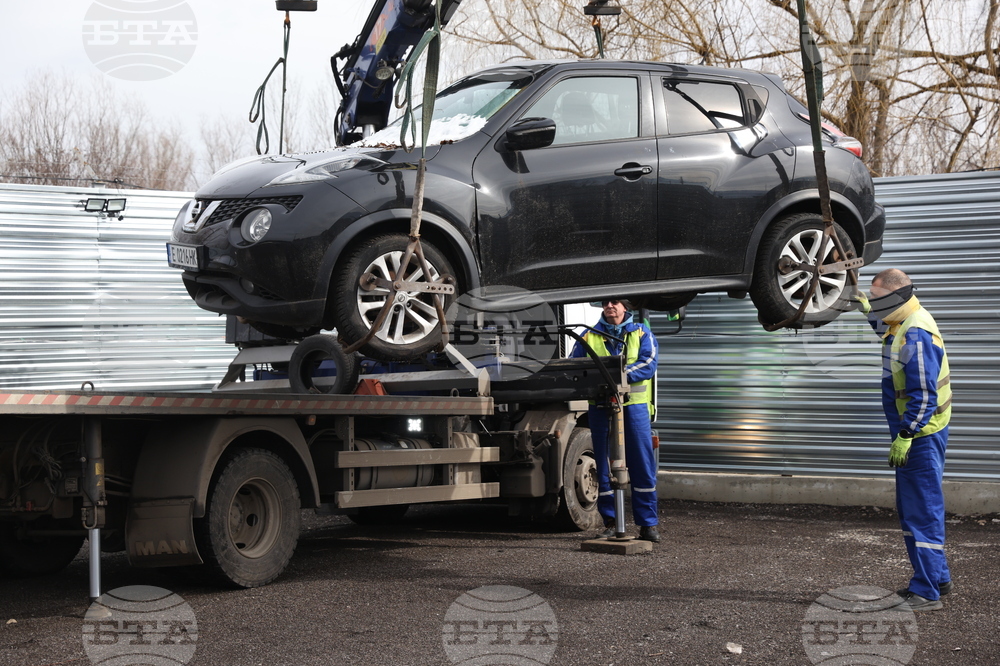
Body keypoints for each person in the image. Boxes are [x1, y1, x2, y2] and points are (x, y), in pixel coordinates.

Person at [857, 269, 953, 611]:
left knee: (920, 511)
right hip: (920, 432)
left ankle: (926, 591)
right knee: (917, 507)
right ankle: (939, 578)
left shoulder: (916, 333)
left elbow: (924, 394)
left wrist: (906, 434)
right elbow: (887, 331)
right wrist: (867, 311)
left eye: (877, 299)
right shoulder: (903, 320)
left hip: (920, 435)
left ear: (895, 296)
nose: (875, 305)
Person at [572, 299, 660, 542]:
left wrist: (616, 376)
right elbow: (575, 366)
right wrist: (608, 379)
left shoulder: (642, 333)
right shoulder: (588, 335)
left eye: (615, 301)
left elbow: (648, 363)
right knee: (603, 465)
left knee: (642, 464)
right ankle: (611, 522)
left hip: (634, 408)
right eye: (606, 302)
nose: (610, 305)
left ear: (625, 307)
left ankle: (648, 524)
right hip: (600, 406)